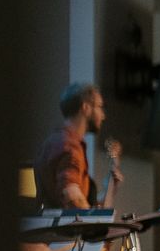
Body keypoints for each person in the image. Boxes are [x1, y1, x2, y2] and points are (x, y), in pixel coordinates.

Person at [34, 81, 121, 211]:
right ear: (85, 107)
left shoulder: (55, 140)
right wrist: (94, 221)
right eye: (99, 106)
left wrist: (110, 188)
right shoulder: (70, 146)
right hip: (64, 231)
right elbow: (71, 198)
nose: (103, 116)